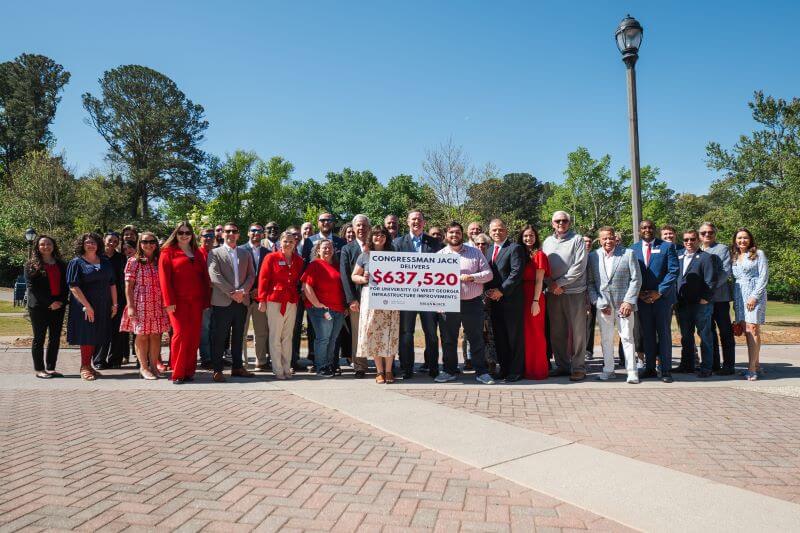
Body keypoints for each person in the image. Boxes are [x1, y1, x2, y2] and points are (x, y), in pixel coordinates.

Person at [435, 222, 494, 384]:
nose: (454, 235)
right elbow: (433, 283)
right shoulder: (440, 255)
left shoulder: (475, 253)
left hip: (472, 303)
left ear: (462, 234)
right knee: (448, 339)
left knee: (476, 339)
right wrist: (438, 303)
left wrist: (473, 277)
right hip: (448, 304)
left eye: (457, 232)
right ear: (446, 235)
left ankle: (481, 372)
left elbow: (488, 274)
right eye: (451, 233)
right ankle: (449, 370)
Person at [587, 227, 642, 383]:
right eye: (604, 238)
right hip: (604, 306)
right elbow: (590, 283)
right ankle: (608, 370)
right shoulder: (593, 256)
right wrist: (597, 302)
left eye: (610, 238)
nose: (608, 241)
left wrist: (629, 301)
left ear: (615, 238)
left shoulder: (628, 253)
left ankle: (632, 372)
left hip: (624, 305)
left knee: (627, 337)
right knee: (605, 339)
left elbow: (636, 279)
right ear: (599, 239)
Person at [393, 210, 443, 378]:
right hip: (406, 297)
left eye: (419, 219)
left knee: (431, 334)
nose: (416, 222)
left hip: (428, 297)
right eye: (413, 219)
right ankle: (407, 369)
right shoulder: (397, 243)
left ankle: (434, 367)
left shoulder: (436, 244)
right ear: (407, 222)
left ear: (424, 222)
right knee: (406, 334)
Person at [159, 221, 211, 383]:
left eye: (187, 232)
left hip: (196, 301)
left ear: (191, 235)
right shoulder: (168, 252)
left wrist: (206, 301)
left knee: (194, 336)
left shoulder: (197, 253)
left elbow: (204, 278)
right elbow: (164, 279)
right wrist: (168, 301)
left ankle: (189, 371)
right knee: (180, 335)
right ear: (176, 234)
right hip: (177, 302)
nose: (184, 235)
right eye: (181, 232)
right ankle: (178, 372)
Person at [542, 211, 588, 381]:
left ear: (569, 222)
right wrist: (550, 284)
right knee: (557, 332)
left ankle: (578, 367)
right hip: (553, 293)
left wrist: (559, 283)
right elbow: (542, 266)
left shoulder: (577, 240)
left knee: (578, 332)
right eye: (557, 221)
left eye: (564, 220)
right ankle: (562, 365)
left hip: (574, 292)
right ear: (552, 223)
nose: (561, 223)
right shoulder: (547, 242)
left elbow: (579, 266)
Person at [632, 219, 680, 383]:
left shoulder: (667, 246)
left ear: (655, 229)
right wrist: (638, 294)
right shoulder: (633, 249)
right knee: (648, 335)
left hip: (662, 299)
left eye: (650, 227)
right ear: (639, 231)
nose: (647, 229)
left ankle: (665, 370)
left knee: (664, 334)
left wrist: (659, 292)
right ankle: (650, 368)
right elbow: (631, 273)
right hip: (642, 298)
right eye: (643, 227)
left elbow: (673, 271)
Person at [296, 214, 347, 367]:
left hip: (338, 308)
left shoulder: (337, 266)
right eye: (324, 248)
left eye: (330, 248)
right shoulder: (314, 265)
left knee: (332, 339)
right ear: (317, 250)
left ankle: (330, 364)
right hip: (321, 308)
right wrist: (317, 304)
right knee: (323, 338)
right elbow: (306, 286)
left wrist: (345, 305)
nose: (327, 250)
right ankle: (321, 365)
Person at [351, 225, 399, 383]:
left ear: (387, 238)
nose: (379, 238)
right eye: (376, 235)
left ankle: (389, 370)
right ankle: (379, 371)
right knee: (374, 334)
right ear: (371, 237)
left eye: (382, 235)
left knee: (390, 333)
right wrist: (364, 279)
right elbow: (354, 276)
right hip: (371, 297)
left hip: (391, 299)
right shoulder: (365, 255)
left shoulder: (395, 255)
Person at [66, 233, 118, 381]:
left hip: (104, 305)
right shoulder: (76, 263)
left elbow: (112, 283)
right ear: (82, 245)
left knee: (96, 335)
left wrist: (114, 304)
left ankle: (90, 366)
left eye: (93, 242)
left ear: (98, 245)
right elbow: (73, 286)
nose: (91, 245)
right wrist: (87, 306)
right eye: (87, 242)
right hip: (84, 306)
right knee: (87, 336)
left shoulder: (105, 262)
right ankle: (85, 367)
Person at [208, 222, 256, 381]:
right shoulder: (215, 253)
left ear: (238, 234)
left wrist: (242, 292)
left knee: (238, 337)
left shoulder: (245, 253)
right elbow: (215, 276)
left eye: (234, 231)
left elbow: (251, 275)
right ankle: (217, 369)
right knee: (219, 336)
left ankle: (237, 367)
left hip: (241, 301)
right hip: (223, 302)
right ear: (222, 234)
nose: (230, 234)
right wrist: (231, 292)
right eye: (227, 231)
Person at [120, 232, 170, 380]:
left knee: (155, 335)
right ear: (139, 244)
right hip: (140, 302)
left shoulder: (159, 260)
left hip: (158, 302)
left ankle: (154, 366)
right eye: (145, 242)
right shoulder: (133, 261)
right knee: (142, 335)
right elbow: (128, 286)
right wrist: (130, 306)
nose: (148, 244)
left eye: (152, 241)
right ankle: (144, 367)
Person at [484, 218, 526, 382]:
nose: (497, 232)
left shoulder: (514, 248)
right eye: (494, 230)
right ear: (489, 232)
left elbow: (516, 273)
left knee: (514, 338)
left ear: (506, 231)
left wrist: (501, 291)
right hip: (494, 302)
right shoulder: (488, 250)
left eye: (500, 229)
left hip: (511, 301)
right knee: (500, 338)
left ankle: (516, 371)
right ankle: (505, 368)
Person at [258, 230, 303, 379]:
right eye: (285, 241)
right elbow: (263, 280)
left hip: (291, 300)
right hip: (275, 300)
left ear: (295, 243)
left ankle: (286, 366)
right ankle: (277, 368)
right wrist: (262, 300)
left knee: (287, 336)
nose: (288, 244)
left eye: (291, 241)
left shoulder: (298, 260)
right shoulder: (271, 258)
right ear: (280, 243)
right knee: (275, 335)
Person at [673, 230, 716, 378]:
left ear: (698, 240)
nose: (689, 242)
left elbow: (711, 280)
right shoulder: (678, 256)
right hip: (682, 303)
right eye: (686, 240)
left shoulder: (706, 258)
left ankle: (706, 367)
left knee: (705, 336)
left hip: (700, 304)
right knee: (686, 337)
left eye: (692, 239)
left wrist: (706, 298)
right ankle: (687, 365)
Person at [25, 235, 68, 378]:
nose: (46, 247)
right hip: (39, 307)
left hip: (58, 306)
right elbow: (33, 288)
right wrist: (50, 303)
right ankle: (39, 369)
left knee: (55, 338)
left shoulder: (61, 264)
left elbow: (65, 285)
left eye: (48, 244)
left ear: (53, 246)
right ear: (38, 247)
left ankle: (50, 367)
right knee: (39, 338)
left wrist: (60, 301)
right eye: (42, 244)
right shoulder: (31, 265)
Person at [731, 228, 768, 381]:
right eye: (739, 238)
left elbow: (763, 276)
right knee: (747, 330)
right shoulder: (734, 256)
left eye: (745, 238)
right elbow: (734, 280)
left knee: (752, 328)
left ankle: (752, 369)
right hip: (740, 295)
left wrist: (754, 296)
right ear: (735, 240)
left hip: (754, 294)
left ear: (750, 239)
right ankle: (756, 364)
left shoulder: (758, 254)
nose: (742, 241)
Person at [699, 222, 736, 375]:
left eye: (710, 232)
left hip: (719, 298)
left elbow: (725, 272)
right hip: (702, 300)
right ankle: (713, 364)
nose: (707, 235)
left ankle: (728, 366)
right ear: (699, 234)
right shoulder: (697, 249)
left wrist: (709, 290)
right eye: (704, 233)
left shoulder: (722, 249)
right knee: (708, 332)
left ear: (715, 234)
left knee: (725, 332)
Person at [340, 215, 371, 377]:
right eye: (358, 225)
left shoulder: (377, 246)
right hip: (357, 300)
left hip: (377, 298)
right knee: (358, 332)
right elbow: (345, 276)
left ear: (369, 228)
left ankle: (382, 364)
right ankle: (359, 365)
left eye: (364, 225)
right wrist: (351, 299)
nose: (361, 228)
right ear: (354, 227)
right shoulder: (347, 249)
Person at [519, 225, 550, 380]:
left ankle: (537, 370)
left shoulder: (539, 255)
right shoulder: (520, 254)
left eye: (531, 236)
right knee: (525, 334)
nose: (528, 239)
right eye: (525, 236)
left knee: (535, 334)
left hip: (534, 296)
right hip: (521, 295)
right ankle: (526, 368)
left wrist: (535, 301)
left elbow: (539, 281)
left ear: (536, 237)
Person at [93, 232, 128, 369]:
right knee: (102, 330)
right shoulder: (96, 257)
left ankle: (115, 360)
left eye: (115, 241)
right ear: (104, 240)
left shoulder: (121, 258)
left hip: (119, 298)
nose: (112, 243)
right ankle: (99, 360)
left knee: (118, 331)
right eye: (110, 240)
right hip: (100, 299)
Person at [240, 223, 271, 371]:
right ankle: (242, 362)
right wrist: (248, 289)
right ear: (248, 233)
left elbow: (269, 275)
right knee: (242, 331)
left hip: (260, 297)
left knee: (261, 331)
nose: (256, 233)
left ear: (262, 234)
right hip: (244, 297)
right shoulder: (240, 250)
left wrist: (259, 291)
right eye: (253, 230)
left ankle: (261, 361)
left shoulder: (268, 252)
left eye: (259, 230)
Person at [472, 233, 498, 373]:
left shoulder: (492, 260)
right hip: (473, 302)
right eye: (478, 244)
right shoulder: (471, 259)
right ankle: (477, 362)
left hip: (490, 302)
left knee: (489, 334)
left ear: (489, 246)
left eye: (484, 244)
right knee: (476, 334)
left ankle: (491, 362)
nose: (481, 246)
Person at [196, 227, 216, 369]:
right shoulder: (196, 254)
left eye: (211, 235)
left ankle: (215, 356)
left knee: (215, 329)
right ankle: (206, 358)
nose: (208, 238)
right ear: (200, 238)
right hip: (203, 298)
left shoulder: (217, 253)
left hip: (218, 298)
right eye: (205, 236)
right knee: (204, 329)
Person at [582, 234, 596, 362]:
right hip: (577, 294)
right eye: (584, 241)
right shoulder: (577, 256)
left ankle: (588, 350)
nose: (587, 243)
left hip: (592, 294)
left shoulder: (594, 256)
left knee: (589, 323)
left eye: (589, 241)